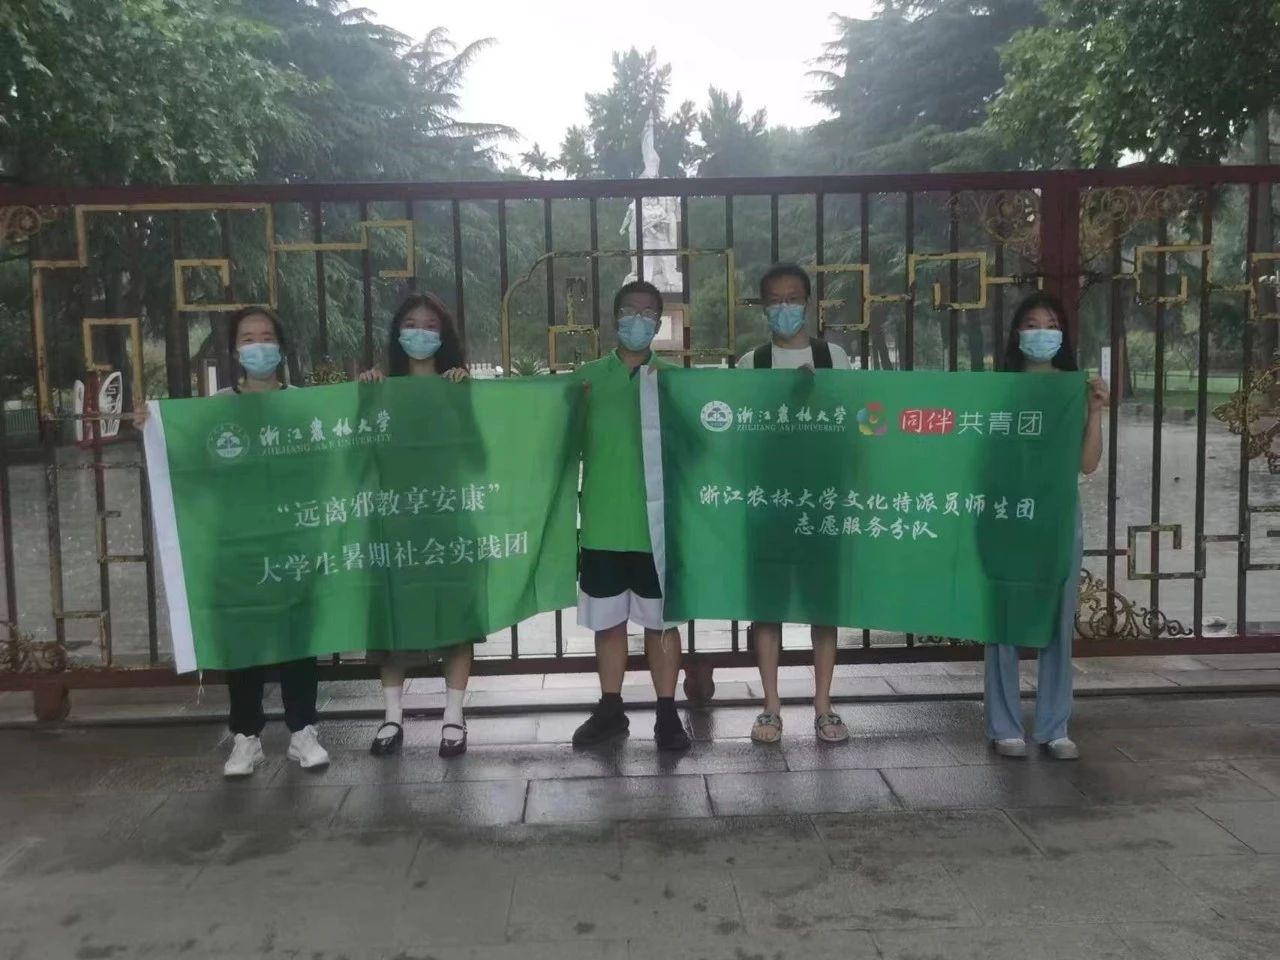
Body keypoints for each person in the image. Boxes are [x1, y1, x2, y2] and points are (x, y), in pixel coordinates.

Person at [138, 306, 331, 778]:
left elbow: (328, 467)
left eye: (267, 336)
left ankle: (303, 731)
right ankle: (246, 737)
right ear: (235, 350)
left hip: (293, 539)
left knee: (298, 638)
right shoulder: (216, 408)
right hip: (236, 544)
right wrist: (153, 425)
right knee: (242, 638)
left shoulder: (303, 406)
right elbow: (189, 463)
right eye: (248, 338)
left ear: (281, 347)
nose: (258, 345)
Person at [985, 291, 1106, 761]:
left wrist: (1095, 411)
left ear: (1063, 335)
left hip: (1057, 517)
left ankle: (1055, 726)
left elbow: (1087, 463)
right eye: (1032, 324)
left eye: (1051, 325)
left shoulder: (1073, 389)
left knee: (1057, 620)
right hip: (1006, 515)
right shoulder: (998, 390)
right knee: (1003, 620)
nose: (1042, 333)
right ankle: (1004, 725)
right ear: (1017, 334)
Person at [570, 280, 690, 752]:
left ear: (658, 323)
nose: (638, 320)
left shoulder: (675, 380)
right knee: (608, 622)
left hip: (659, 527)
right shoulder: (585, 380)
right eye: (629, 311)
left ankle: (667, 713)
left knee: (663, 623)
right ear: (614, 317)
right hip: (602, 522)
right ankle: (610, 709)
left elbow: (701, 446)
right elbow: (553, 438)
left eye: (647, 313)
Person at [739, 263, 854, 745]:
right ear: (763, 306)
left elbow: (852, 422)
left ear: (807, 302)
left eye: (792, 298)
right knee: (767, 606)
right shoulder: (752, 363)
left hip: (821, 499)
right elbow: (740, 431)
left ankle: (823, 705)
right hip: (768, 501)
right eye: (775, 300)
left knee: (822, 605)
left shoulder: (834, 357)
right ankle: (770, 706)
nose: (784, 307)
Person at [357, 293, 472, 758]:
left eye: (430, 325)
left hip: (447, 516)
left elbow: (478, 453)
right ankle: (391, 717)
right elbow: (358, 450)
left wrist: (463, 397)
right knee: (390, 617)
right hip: (393, 519)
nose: (419, 332)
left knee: (457, 615)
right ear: (397, 332)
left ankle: (454, 716)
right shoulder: (380, 387)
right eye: (410, 323)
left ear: (443, 336)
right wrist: (365, 398)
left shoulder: (457, 386)